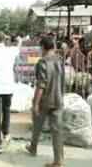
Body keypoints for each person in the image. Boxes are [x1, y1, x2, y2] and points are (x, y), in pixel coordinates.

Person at [25, 36, 64, 167]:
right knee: (57, 132)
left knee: (37, 126)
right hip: (58, 99)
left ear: (43, 47)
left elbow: (40, 85)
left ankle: (33, 148)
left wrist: (35, 103)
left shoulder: (42, 63)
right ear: (53, 47)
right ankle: (58, 161)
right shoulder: (60, 61)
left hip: (45, 101)